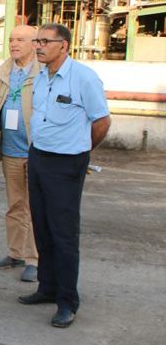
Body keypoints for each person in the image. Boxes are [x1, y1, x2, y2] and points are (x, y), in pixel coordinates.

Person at [18, 23, 110, 329]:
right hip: (39, 158)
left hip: (67, 163)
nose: (38, 46)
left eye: (45, 41)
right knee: (42, 227)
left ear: (64, 45)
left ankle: (67, 301)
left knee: (64, 233)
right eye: (37, 40)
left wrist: (82, 150)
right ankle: (47, 287)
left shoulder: (83, 77)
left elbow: (102, 121)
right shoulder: (40, 76)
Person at [0, 24, 41, 283]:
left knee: (35, 207)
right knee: (15, 205)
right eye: (11, 39)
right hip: (10, 149)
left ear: (35, 43)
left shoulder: (43, 72)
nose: (13, 44)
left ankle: (34, 259)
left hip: (36, 151)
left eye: (20, 40)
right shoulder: (4, 71)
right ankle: (15, 252)